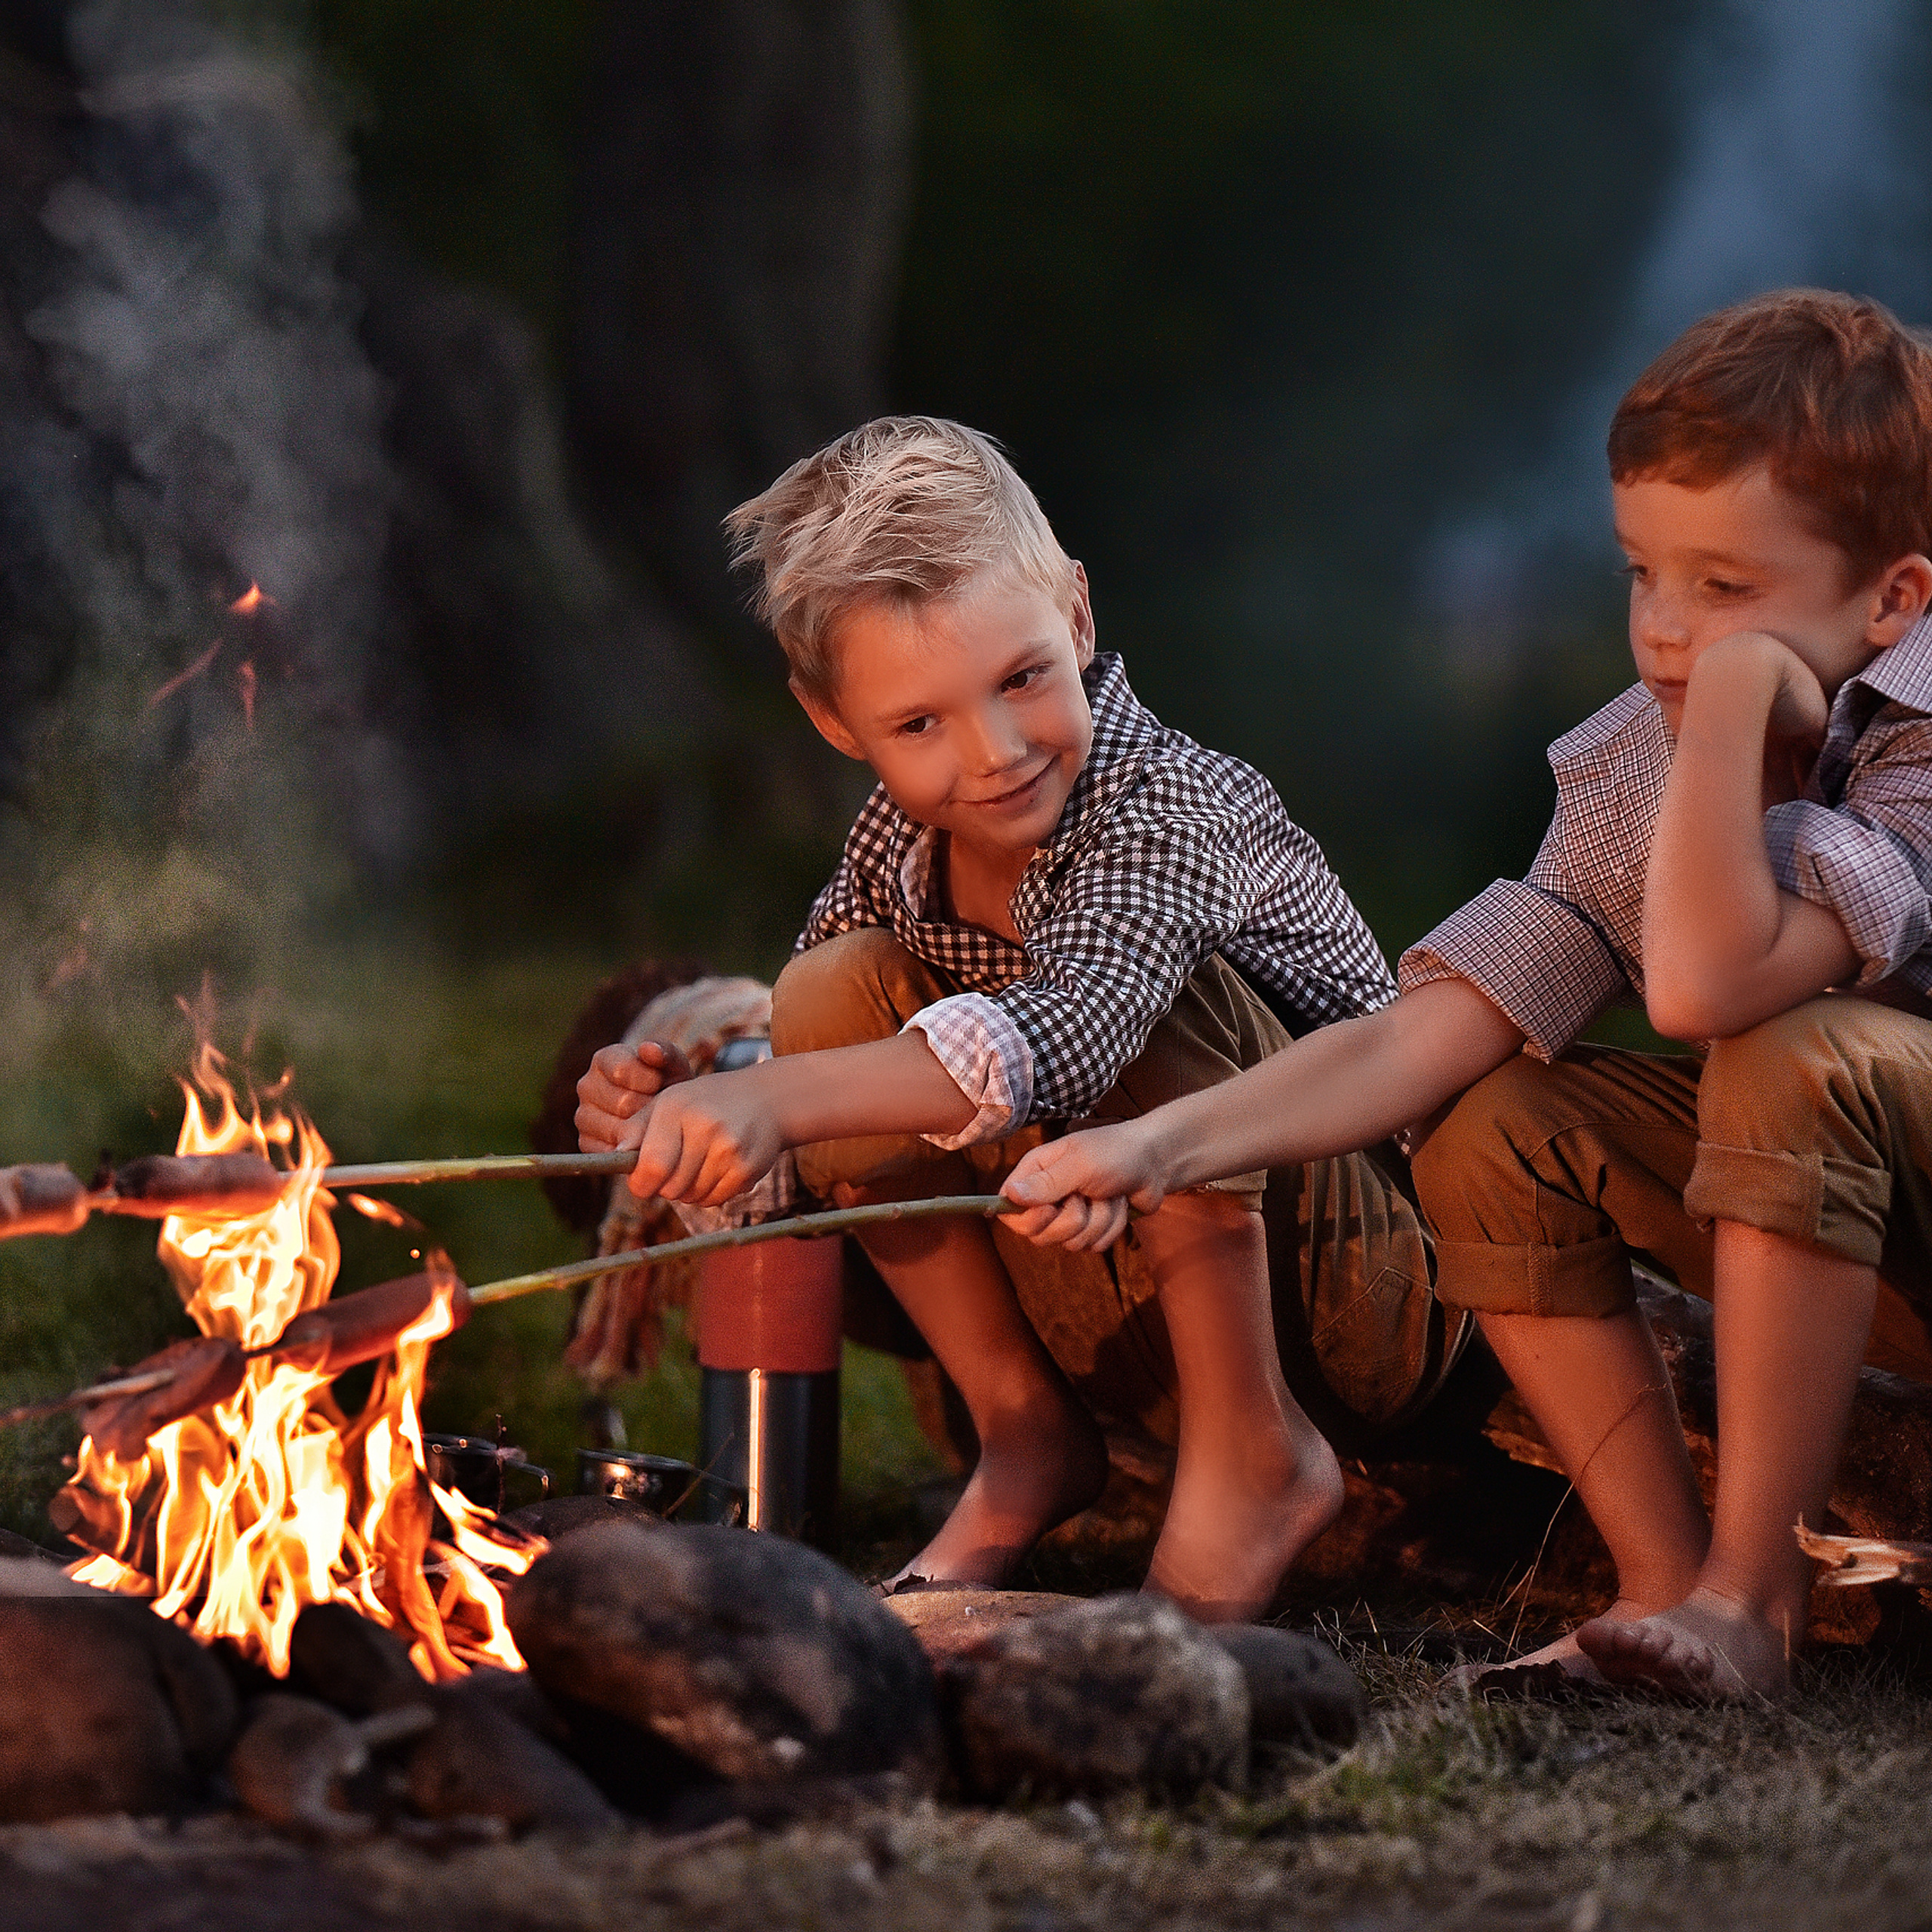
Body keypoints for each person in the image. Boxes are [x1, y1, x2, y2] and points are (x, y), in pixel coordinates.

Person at [1003, 289, 1932, 1697]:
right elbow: (1424, 1035)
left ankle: (1754, 1600)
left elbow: (1703, 988)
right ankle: (1663, 1585)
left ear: (1894, 599)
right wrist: (1155, 1147)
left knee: (1784, 1049)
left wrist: (1739, 709)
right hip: (1838, 1216)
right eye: (1643, 574)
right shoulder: (1647, 753)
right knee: (1494, 1121)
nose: (1665, 633)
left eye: (1727, 592)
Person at [575, 416, 1463, 1622]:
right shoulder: (895, 845)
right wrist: (679, 1126)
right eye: (920, 724)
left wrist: (772, 1094)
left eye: (1023, 679)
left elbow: (1077, 1029)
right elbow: (819, 1106)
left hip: (1362, 1285)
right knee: (828, 991)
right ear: (833, 721)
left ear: (1078, 617)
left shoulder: (1169, 805)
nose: (994, 753)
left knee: (1147, 996)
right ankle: (1024, 1432)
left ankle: (1254, 1457)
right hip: (1109, 1281)